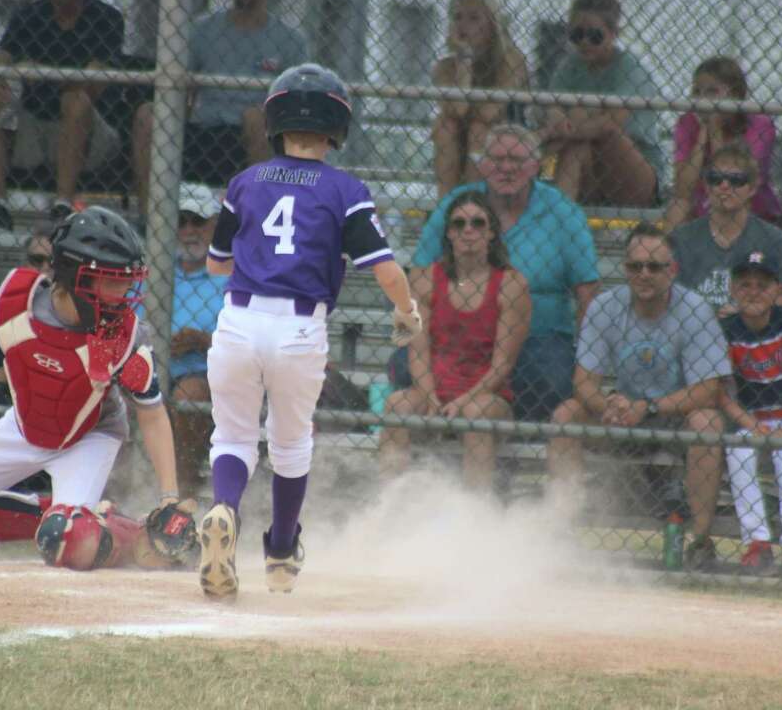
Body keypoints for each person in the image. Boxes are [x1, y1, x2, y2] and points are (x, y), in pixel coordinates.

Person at [199, 63, 422, 600]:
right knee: (291, 443)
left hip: (239, 320)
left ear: (276, 122)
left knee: (232, 436)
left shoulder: (245, 182)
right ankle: (279, 552)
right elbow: (386, 269)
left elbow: (214, 264)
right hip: (299, 327)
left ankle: (224, 508)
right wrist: (407, 311)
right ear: (335, 127)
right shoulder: (345, 189)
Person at [0, 206, 195, 571]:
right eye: (112, 280)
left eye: (126, 280)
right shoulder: (18, 307)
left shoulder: (119, 334)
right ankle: (57, 514)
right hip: (23, 426)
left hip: (88, 436)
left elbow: (151, 411)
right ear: (73, 275)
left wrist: (168, 496)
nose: (124, 291)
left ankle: (138, 538)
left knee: (68, 543)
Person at [548, 222, 730, 569]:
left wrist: (646, 408)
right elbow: (583, 382)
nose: (644, 274)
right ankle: (562, 532)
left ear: (672, 270)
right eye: (635, 266)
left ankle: (699, 541)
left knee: (707, 421)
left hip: (674, 417)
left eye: (655, 267)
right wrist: (610, 406)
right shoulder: (605, 306)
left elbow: (709, 389)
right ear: (625, 268)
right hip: (621, 415)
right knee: (566, 415)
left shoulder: (695, 309)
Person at [407, 123, 598, 421]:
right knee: (401, 364)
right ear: (482, 165)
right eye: (497, 160)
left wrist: (584, 356)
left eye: (517, 160)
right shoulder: (458, 206)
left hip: (540, 336)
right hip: (458, 337)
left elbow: (588, 293)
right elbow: (417, 277)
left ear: (536, 166)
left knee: (550, 373)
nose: (507, 168)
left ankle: (512, 430)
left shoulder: (564, 212)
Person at [0, 0, 124, 231]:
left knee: (76, 99)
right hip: (35, 129)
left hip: (89, 134)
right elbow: (0, 58)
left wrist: (35, 70)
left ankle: (62, 206)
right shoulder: (29, 15)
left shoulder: (106, 17)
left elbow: (92, 82)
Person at [379, 193, 531, 490]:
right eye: (459, 224)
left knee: (476, 415)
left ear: (491, 233)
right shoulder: (421, 279)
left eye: (478, 223)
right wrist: (432, 398)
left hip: (487, 396)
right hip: (432, 391)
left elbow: (503, 366)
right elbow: (417, 352)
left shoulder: (513, 285)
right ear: (449, 233)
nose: (468, 231)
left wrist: (464, 401)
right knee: (397, 404)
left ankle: (473, 517)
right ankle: (389, 505)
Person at [132, 0, 307, 196]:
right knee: (147, 114)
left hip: (255, 134)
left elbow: (295, 105)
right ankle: (148, 219)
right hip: (205, 130)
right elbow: (180, 93)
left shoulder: (290, 40)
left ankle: (257, 220)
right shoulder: (202, 31)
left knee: (256, 118)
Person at [718, 250, 782, 577]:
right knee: (739, 450)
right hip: (754, 415)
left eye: (763, 285)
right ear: (732, 290)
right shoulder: (727, 328)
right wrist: (751, 424)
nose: (754, 291)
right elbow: (720, 390)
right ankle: (757, 541)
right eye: (745, 284)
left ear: (777, 290)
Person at [538, 0, 662, 206]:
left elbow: (611, 123)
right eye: (577, 35)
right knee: (577, 147)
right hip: (588, 167)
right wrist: (564, 122)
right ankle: (561, 222)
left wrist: (562, 127)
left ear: (614, 34)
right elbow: (553, 109)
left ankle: (556, 214)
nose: (584, 42)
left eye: (595, 36)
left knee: (592, 125)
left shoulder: (627, 67)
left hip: (633, 172)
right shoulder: (570, 65)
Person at [670, 142, 782, 314]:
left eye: (735, 180)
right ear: (706, 186)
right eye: (715, 179)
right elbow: (671, 299)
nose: (724, 186)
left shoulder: (773, 239)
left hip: (751, 332)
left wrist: (745, 313)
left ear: (752, 188)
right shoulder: (682, 238)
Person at [430, 0, 529, 198]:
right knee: (445, 126)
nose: (463, 25)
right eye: (457, 18)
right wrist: (464, 60)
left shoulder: (511, 60)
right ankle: (446, 204)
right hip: (459, 140)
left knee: (478, 129)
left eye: (474, 18)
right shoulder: (445, 67)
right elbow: (456, 110)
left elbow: (488, 114)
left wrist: (467, 107)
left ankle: (473, 202)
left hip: (506, 139)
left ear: (492, 26)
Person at [664, 57, 782, 229]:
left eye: (712, 92)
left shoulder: (760, 125)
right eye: (697, 92)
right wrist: (703, 135)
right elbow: (682, 190)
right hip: (701, 207)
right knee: (678, 207)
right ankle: (665, 256)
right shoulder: (688, 122)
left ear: (735, 95)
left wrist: (715, 131)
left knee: (728, 199)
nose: (703, 100)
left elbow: (731, 181)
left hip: (751, 210)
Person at [167, 183, 228, 498]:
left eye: (198, 222)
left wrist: (203, 340)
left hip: (206, 372)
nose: (189, 230)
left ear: (215, 225)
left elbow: (245, 337)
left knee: (190, 394)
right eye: (181, 221)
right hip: (151, 366)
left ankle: (182, 491)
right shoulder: (157, 270)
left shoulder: (230, 274)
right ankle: (116, 492)